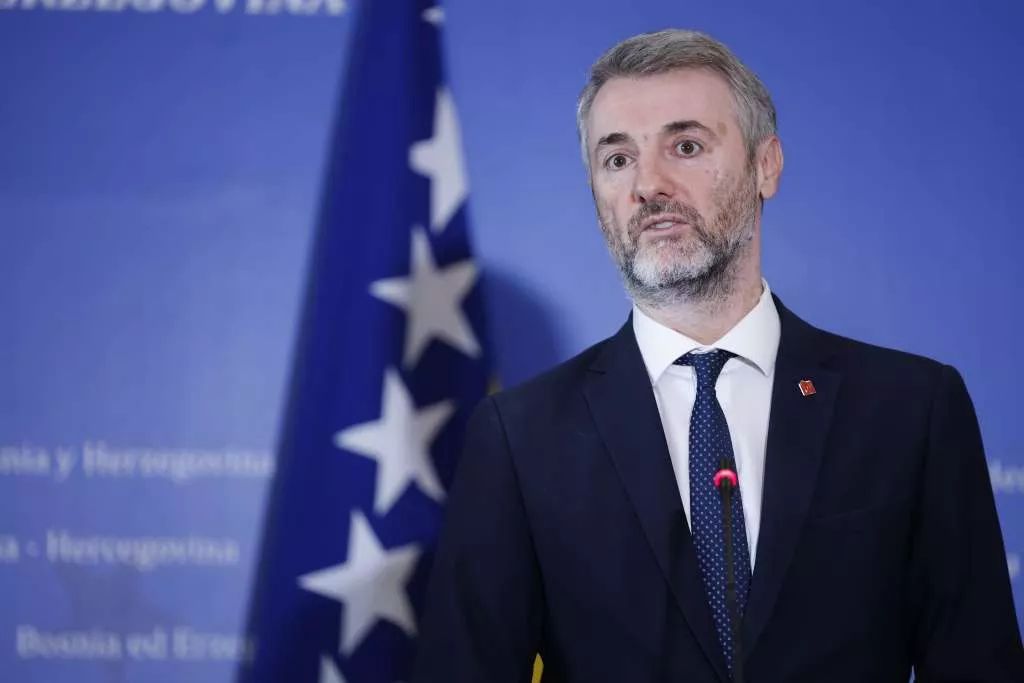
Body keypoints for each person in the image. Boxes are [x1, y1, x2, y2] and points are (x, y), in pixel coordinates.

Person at [413, 29, 1023, 683]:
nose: (648, 183)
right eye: (617, 158)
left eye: (686, 146)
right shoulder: (520, 436)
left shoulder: (911, 410)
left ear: (767, 166)